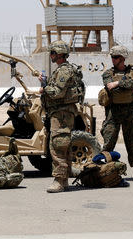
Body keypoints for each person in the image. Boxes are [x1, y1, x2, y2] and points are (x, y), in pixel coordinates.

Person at [39, 40, 84, 193]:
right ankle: (64, 180)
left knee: (58, 145)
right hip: (60, 112)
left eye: (52, 53)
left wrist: (44, 87)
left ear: (58, 54)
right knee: (63, 144)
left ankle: (59, 180)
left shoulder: (64, 71)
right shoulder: (62, 70)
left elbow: (58, 93)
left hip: (62, 113)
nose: (50, 55)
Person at [100, 45, 133, 181]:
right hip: (113, 112)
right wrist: (126, 87)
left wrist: (118, 84)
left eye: (115, 57)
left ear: (122, 59)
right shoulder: (108, 73)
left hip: (129, 111)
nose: (113, 60)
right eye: (112, 57)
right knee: (108, 144)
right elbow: (109, 86)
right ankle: (103, 172)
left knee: (132, 142)